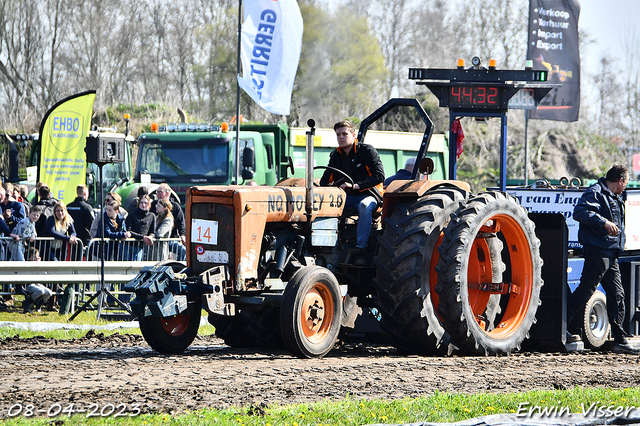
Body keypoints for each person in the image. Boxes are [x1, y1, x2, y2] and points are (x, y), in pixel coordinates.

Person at [567, 164, 638, 355]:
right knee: (586, 290)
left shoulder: (614, 196)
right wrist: (603, 222)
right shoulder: (596, 192)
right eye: (626, 183)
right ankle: (564, 325)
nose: (626, 187)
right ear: (620, 181)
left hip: (611, 253)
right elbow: (580, 212)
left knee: (617, 295)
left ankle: (619, 339)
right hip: (598, 252)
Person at [319, 120, 384, 263]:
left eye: (344, 134)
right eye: (338, 135)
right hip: (346, 197)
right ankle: (324, 243)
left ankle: (361, 246)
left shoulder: (367, 151)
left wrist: (355, 186)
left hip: (369, 194)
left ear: (354, 135)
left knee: (364, 206)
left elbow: (379, 176)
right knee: (323, 204)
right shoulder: (336, 155)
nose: (341, 137)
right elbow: (325, 179)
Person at [150, 183, 186, 260]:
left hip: (171, 238)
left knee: (183, 251)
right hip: (158, 241)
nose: (158, 194)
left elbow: (181, 221)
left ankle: (179, 267)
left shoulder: (175, 206)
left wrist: (182, 235)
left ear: (167, 193)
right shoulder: (153, 205)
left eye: (160, 192)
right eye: (157, 192)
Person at [125, 194, 156, 261]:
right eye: (141, 202)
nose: (143, 205)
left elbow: (152, 231)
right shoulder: (132, 214)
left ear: (149, 204)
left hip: (140, 246)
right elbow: (128, 230)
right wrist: (142, 237)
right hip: (128, 245)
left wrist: (150, 236)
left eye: (145, 203)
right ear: (138, 203)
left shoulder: (152, 216)